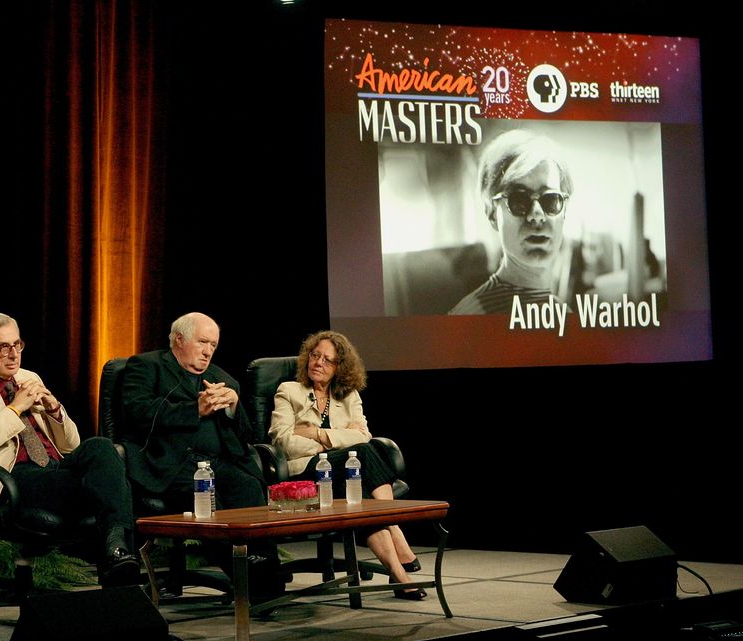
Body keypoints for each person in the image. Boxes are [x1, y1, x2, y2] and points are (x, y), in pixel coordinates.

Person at [0, 312, 138, 587]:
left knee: (101, 447)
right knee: (114, 485)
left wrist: (54, 409)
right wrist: (15, 408)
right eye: (3, 347)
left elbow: (71, 445)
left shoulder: (28, 377)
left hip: (53, 468)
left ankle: (116, 548)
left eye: (17, 344)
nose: (13, 354)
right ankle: (119, 571)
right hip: (10, 477)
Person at [121, 312, 281, 595]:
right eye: (203, 342)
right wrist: (195, 409)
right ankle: (250, 582)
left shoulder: (222, 379)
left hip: (218, 462)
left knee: (248, 486)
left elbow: (246, 437)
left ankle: (265, 565)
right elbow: (137, 413)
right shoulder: (146, 366)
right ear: (179, 339)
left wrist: (233, 406)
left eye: (213, 345)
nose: (208, 352)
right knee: (208, 500)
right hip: (170, 463)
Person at [268, 330, 425, 599]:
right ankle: (395, 530)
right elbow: (282, 442)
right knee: (362, 454)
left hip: (342, 474)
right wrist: (336, 442)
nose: (318, 363)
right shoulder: (289, 391)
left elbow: (364, 435)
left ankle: (400, 576)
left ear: (340, 368)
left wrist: (318, 435)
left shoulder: (348, 395)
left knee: (360, 491)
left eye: (327, 360)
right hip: (306, 472)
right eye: (315, 356)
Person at [450, 129, 573, 314]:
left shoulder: (562, 312)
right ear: (492, 214)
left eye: (551, 200)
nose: (537, 215)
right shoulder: (471, 317)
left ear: (564, 211)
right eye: (519, 200)